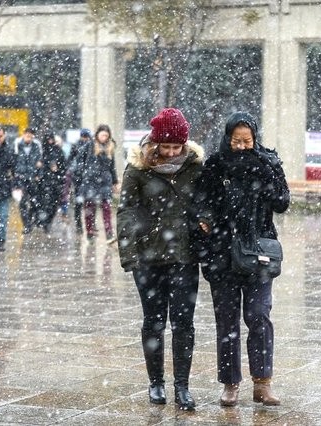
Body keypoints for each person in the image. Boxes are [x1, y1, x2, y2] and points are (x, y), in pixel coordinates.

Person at [195, 111, 289, 407]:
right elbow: (201, 203)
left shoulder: (267, 162)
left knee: (259, 315)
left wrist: (268, 173)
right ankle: (230, 384)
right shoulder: (215, 165)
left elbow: (282, 202)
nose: (241, 145)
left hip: (258, 252)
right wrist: (205, 221)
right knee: (227, 322)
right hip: (222, 254)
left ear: (254, 138)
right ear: (227, 138)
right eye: (236, 140)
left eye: (247, 140)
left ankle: (263, 383)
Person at [117, 108, 205, 411]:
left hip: (184, 256)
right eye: (165, 147)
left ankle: (183, 386)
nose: (170, 153)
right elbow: (126, 211)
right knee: (153, 322)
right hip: (148, 257)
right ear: (154, 144)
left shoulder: (195, 168)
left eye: (176, 147)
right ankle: (156, 383)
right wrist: (130, 256)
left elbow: (206, 204)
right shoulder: (138, 168)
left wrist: (205, 223)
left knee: (184, 323)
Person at [74, 124, 119, 243]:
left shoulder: (110, 147)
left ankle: (109, 234)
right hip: (90, 181)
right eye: (102, 135)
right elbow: (79, 159)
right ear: (97, 134)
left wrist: (115, 182)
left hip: (105, 181)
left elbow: (112, 166)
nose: (104, 137)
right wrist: (82, 173)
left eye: (106, 135)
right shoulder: (90, 145)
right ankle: (89, 233)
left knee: (106, 208)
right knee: (90, 208)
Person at [13, 127, 43, 234]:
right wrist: (15, 176)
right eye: (27, 135)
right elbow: (13, 161)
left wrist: (39, 175)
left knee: (35, 202)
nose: (28, 138)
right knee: (22, 203)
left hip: (33, 178)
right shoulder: (17, 145)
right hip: (21, 179)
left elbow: (40, 162)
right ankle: (26, 224)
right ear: (24, 134)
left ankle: (30, 220)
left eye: (31, 136)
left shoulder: (36, 147)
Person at [36, 132, 66, 233]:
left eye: (51, 139)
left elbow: (64, 166)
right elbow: (39, 165)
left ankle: (48, 221)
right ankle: (45, 222)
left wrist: (59, 170)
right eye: (48, 140)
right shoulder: (43, 152)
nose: (50, 142)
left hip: (57, 182)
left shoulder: (59, 151)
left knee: (54, 204)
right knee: (46, 203)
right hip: (45, 182)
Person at [66, 128, 92, 235]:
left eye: (87, 137)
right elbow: (70, 160)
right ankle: (79, 225)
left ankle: (87, 225)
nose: (85, 139)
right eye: (84, 136)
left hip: (87, 177)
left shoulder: (91, 146)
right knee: (79, 202)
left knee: (88, 202)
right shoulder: (76, 146)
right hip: (79, 177)